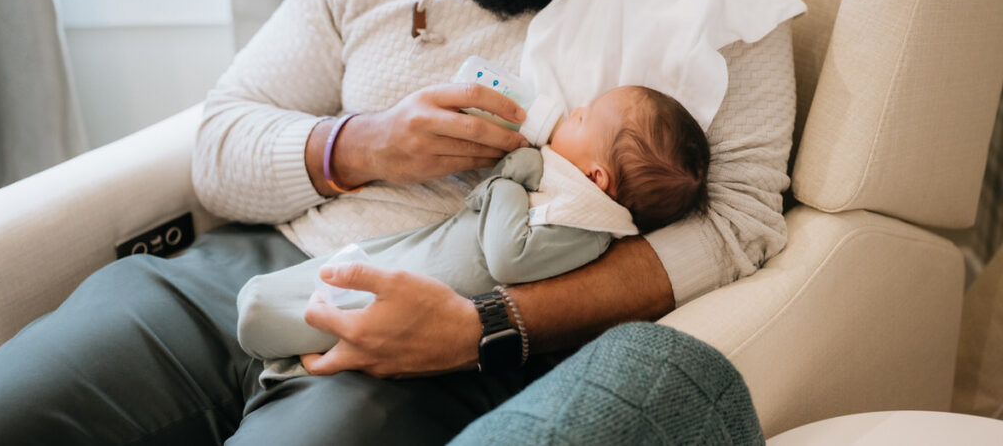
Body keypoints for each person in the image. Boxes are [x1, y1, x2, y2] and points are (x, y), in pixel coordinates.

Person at [0, 0, 805, 443]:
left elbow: (737, 225)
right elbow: (220, 144)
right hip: (239, 277)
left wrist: (484, 323)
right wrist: (365, 145)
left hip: (426, 341)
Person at [237, 85, 710, 383]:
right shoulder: (569, 197)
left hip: (432, 282)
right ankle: (265, 310)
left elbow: (509, 258)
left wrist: (510, 179)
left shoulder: (585, 230)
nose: (576, 108)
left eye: (584, 118)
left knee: (331, 305)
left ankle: (262, 327)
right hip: (427, 249)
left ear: (597, 178)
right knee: (331, 275)